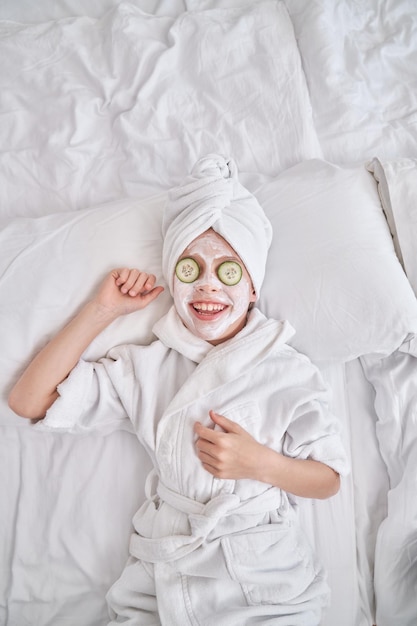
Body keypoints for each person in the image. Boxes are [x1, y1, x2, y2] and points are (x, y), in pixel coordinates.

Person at [9, 154, 349, 625]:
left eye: (228, 271)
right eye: (190, 270)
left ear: (252, 287)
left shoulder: (286, 369)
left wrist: (261, 464)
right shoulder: (146, 366)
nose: (208, 287)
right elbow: (27, 401)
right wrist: (101, 312)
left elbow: (329, 479)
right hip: (165, 572)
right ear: (172, 280)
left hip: (264, 579)